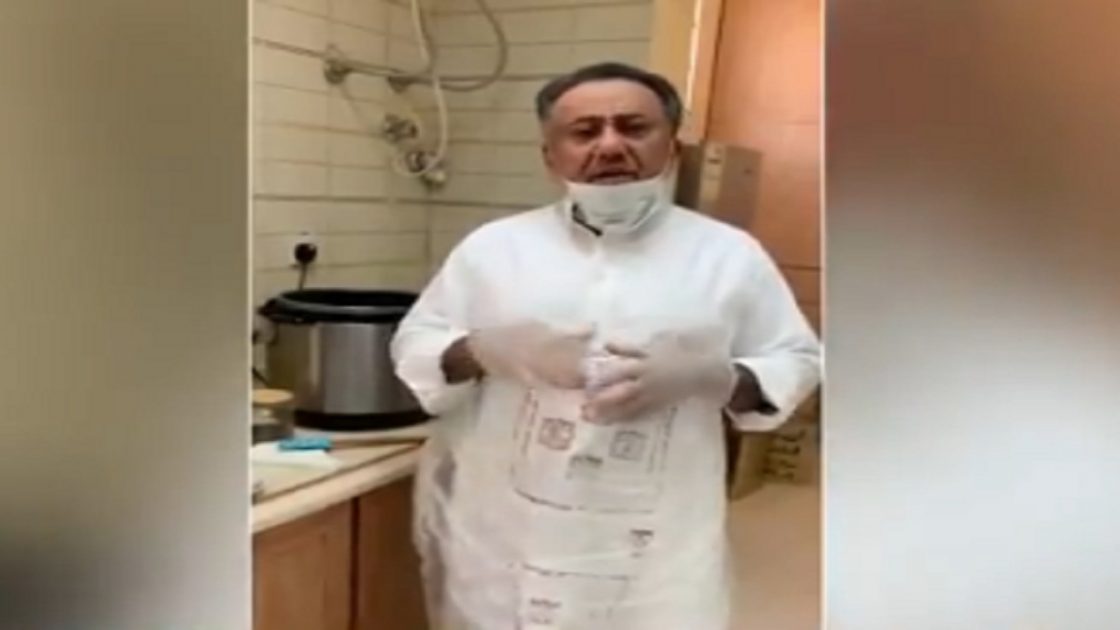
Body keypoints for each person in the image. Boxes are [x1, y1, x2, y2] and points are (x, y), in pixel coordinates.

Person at [391, 61, 821, 630]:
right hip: (505, 533)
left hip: (654, 546)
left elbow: (796, 361)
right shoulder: (492, 250)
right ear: (551, 156)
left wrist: (713, 377)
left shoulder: (728, 255)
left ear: (673, 147)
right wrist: (483, 350)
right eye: (585, 131)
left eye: (634, 127)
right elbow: (417, 344)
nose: (611, 145)